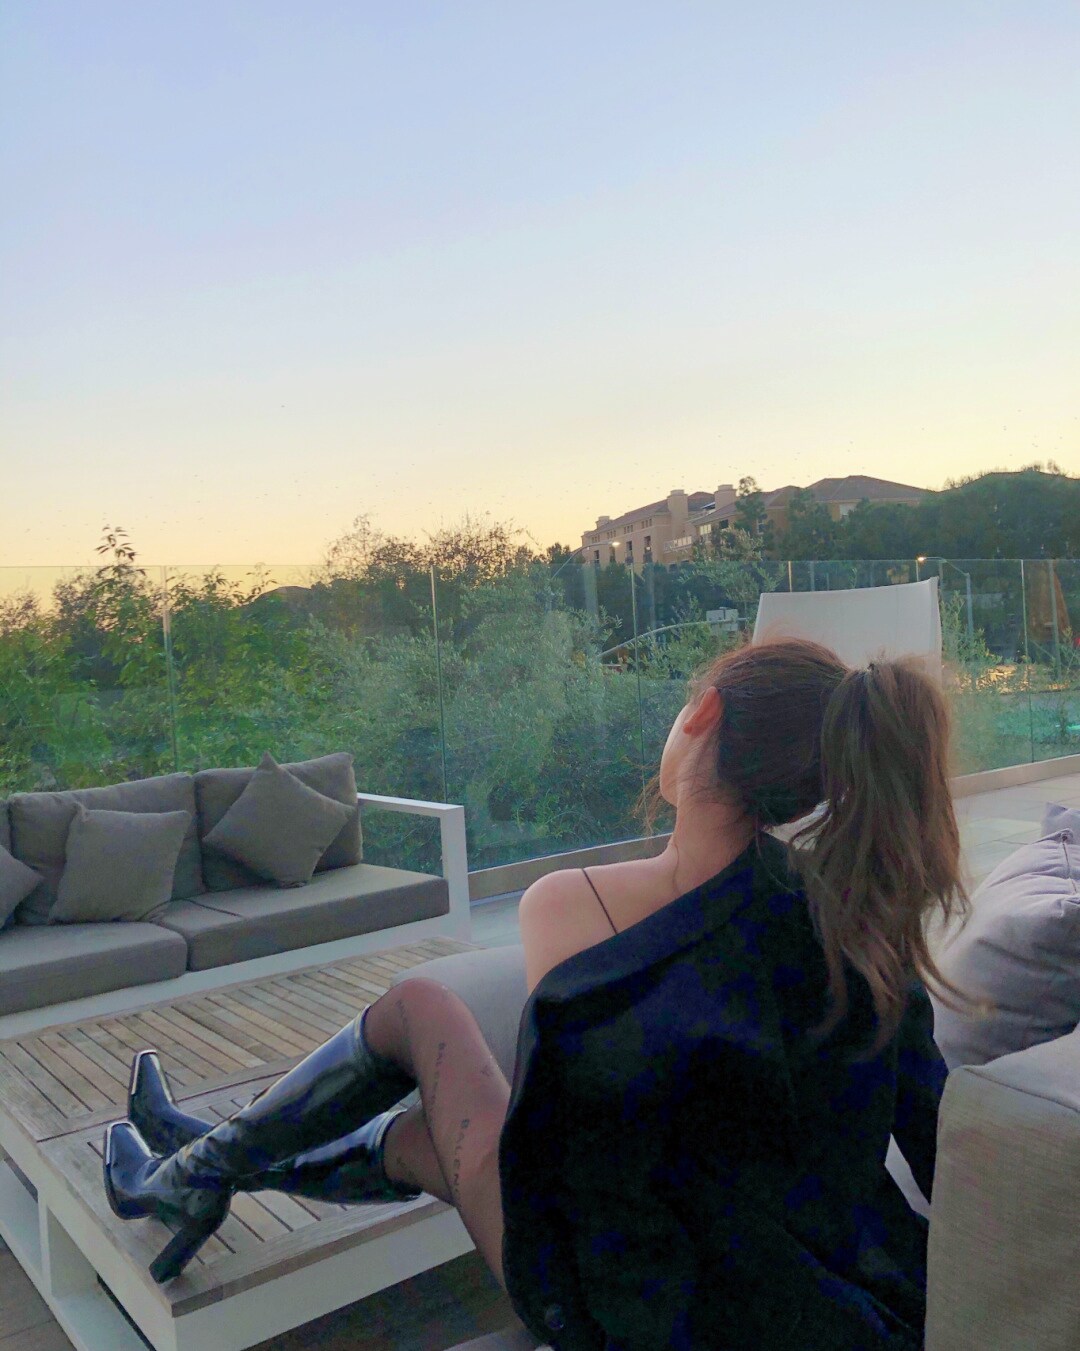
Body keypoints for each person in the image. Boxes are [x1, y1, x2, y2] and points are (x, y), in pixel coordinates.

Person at [104, 638, 977, 1349]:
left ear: (703, 714)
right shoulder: (854, 921)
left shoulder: (575, 909)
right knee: (415, 1135)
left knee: (419, 1009)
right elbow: (945, 1141)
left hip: (648, 1303)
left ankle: (194, 1169)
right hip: (838, 1299)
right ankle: (200, 1163)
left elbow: (569, 1154)